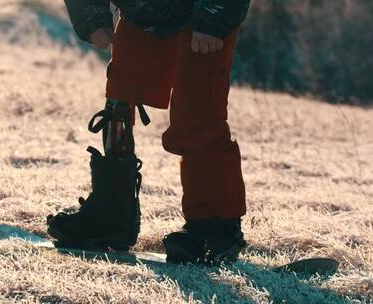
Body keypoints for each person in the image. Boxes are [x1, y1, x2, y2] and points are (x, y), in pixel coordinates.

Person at [47, 0, 251, 265]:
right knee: (118, 105)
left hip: (203, 13)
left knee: (198, 115)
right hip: (142, 11)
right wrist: (91, 17)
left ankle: (216, 227)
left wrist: (213, 20)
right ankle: (112, 215)